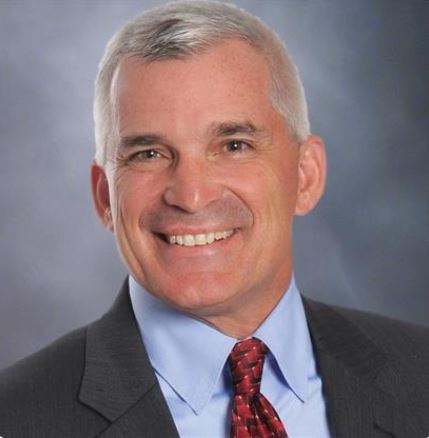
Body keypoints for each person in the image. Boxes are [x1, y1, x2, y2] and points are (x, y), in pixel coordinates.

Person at [0, 1, 428, 437]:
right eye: (148, 154)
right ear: (104, 197)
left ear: (305, 176)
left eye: (234, 145)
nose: (191, 195)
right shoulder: (16, 417)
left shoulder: (420, 376)